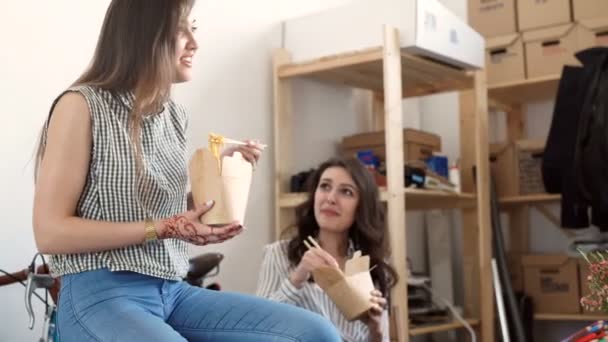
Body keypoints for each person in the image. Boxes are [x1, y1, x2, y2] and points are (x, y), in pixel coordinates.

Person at [32, 1, 342, 341]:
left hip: (172, 291)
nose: (194, 43)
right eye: (181, 29)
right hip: (98, 293)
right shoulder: (81, 105)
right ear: (142, 33)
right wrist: (165, 227)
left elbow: (169, 213)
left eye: (194, 28)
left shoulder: (175, 117)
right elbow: (50, 232)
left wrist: (218, 178)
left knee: (316, 333)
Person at [256, 157, 399, 342]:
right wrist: (297, 279)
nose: (330, 198)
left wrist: (376, 332)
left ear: (361, 207)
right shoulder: (279, 254)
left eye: (346, 192)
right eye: (325, 186)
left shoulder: (373, 266)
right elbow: (257, 328)